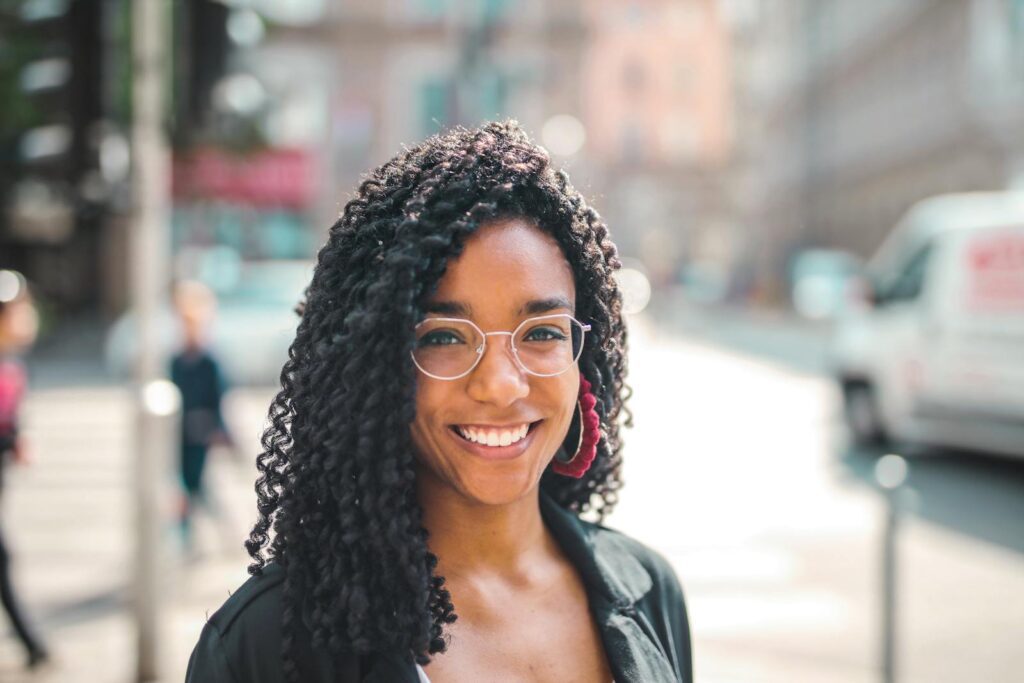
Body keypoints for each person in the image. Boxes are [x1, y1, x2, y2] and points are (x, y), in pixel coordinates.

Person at [186, 121, 692, 682]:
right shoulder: (264, 646)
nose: (501, 385)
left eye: (542, 332)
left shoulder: (649, 590)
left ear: (584, 363)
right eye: (444, 337)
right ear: (376, 366)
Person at [0, 271, 49, 669]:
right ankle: (34, 646)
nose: (29, 317)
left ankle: (34, 646)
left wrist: (16, 438)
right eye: (21, 311)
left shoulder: (12, 365)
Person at [170, 281, 233, 555]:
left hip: (202, 433)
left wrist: (221, 430)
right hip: (180, 433)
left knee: (198, 486)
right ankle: (186, 540)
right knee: (186, 486)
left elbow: (219, 399)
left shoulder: (210, 362)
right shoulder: (175, 360)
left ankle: (218, 534)